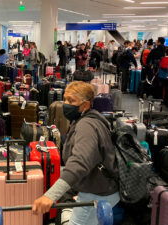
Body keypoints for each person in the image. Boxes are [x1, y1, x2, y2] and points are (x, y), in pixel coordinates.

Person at [32, 81, 119, 225]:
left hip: (98, 193)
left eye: (71, 100)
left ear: (85, 105)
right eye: (65, 99)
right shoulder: (85, 119)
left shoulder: (86, 126)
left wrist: (51, 196)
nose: (66, 104)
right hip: (98, 187)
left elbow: (80, 162)